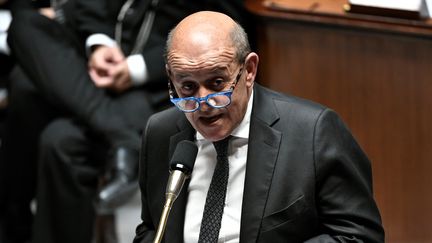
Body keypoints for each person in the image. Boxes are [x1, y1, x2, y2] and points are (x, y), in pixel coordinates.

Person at [1, 1, 254, 243]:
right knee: (25, 25)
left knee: (59, 140)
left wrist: (137, 69)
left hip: (161, 87)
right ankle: (121, 134)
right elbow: (90, 7)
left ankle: (117, 132)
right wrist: (98, 42)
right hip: (93, 71)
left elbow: (229, 37)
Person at [133, 11, 385, 243]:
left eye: (217, 82)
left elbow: (358, 236)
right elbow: (152, 229)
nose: (204, 103)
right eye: (187, 86)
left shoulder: (313, 132)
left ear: (249, 70)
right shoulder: (160, 131)